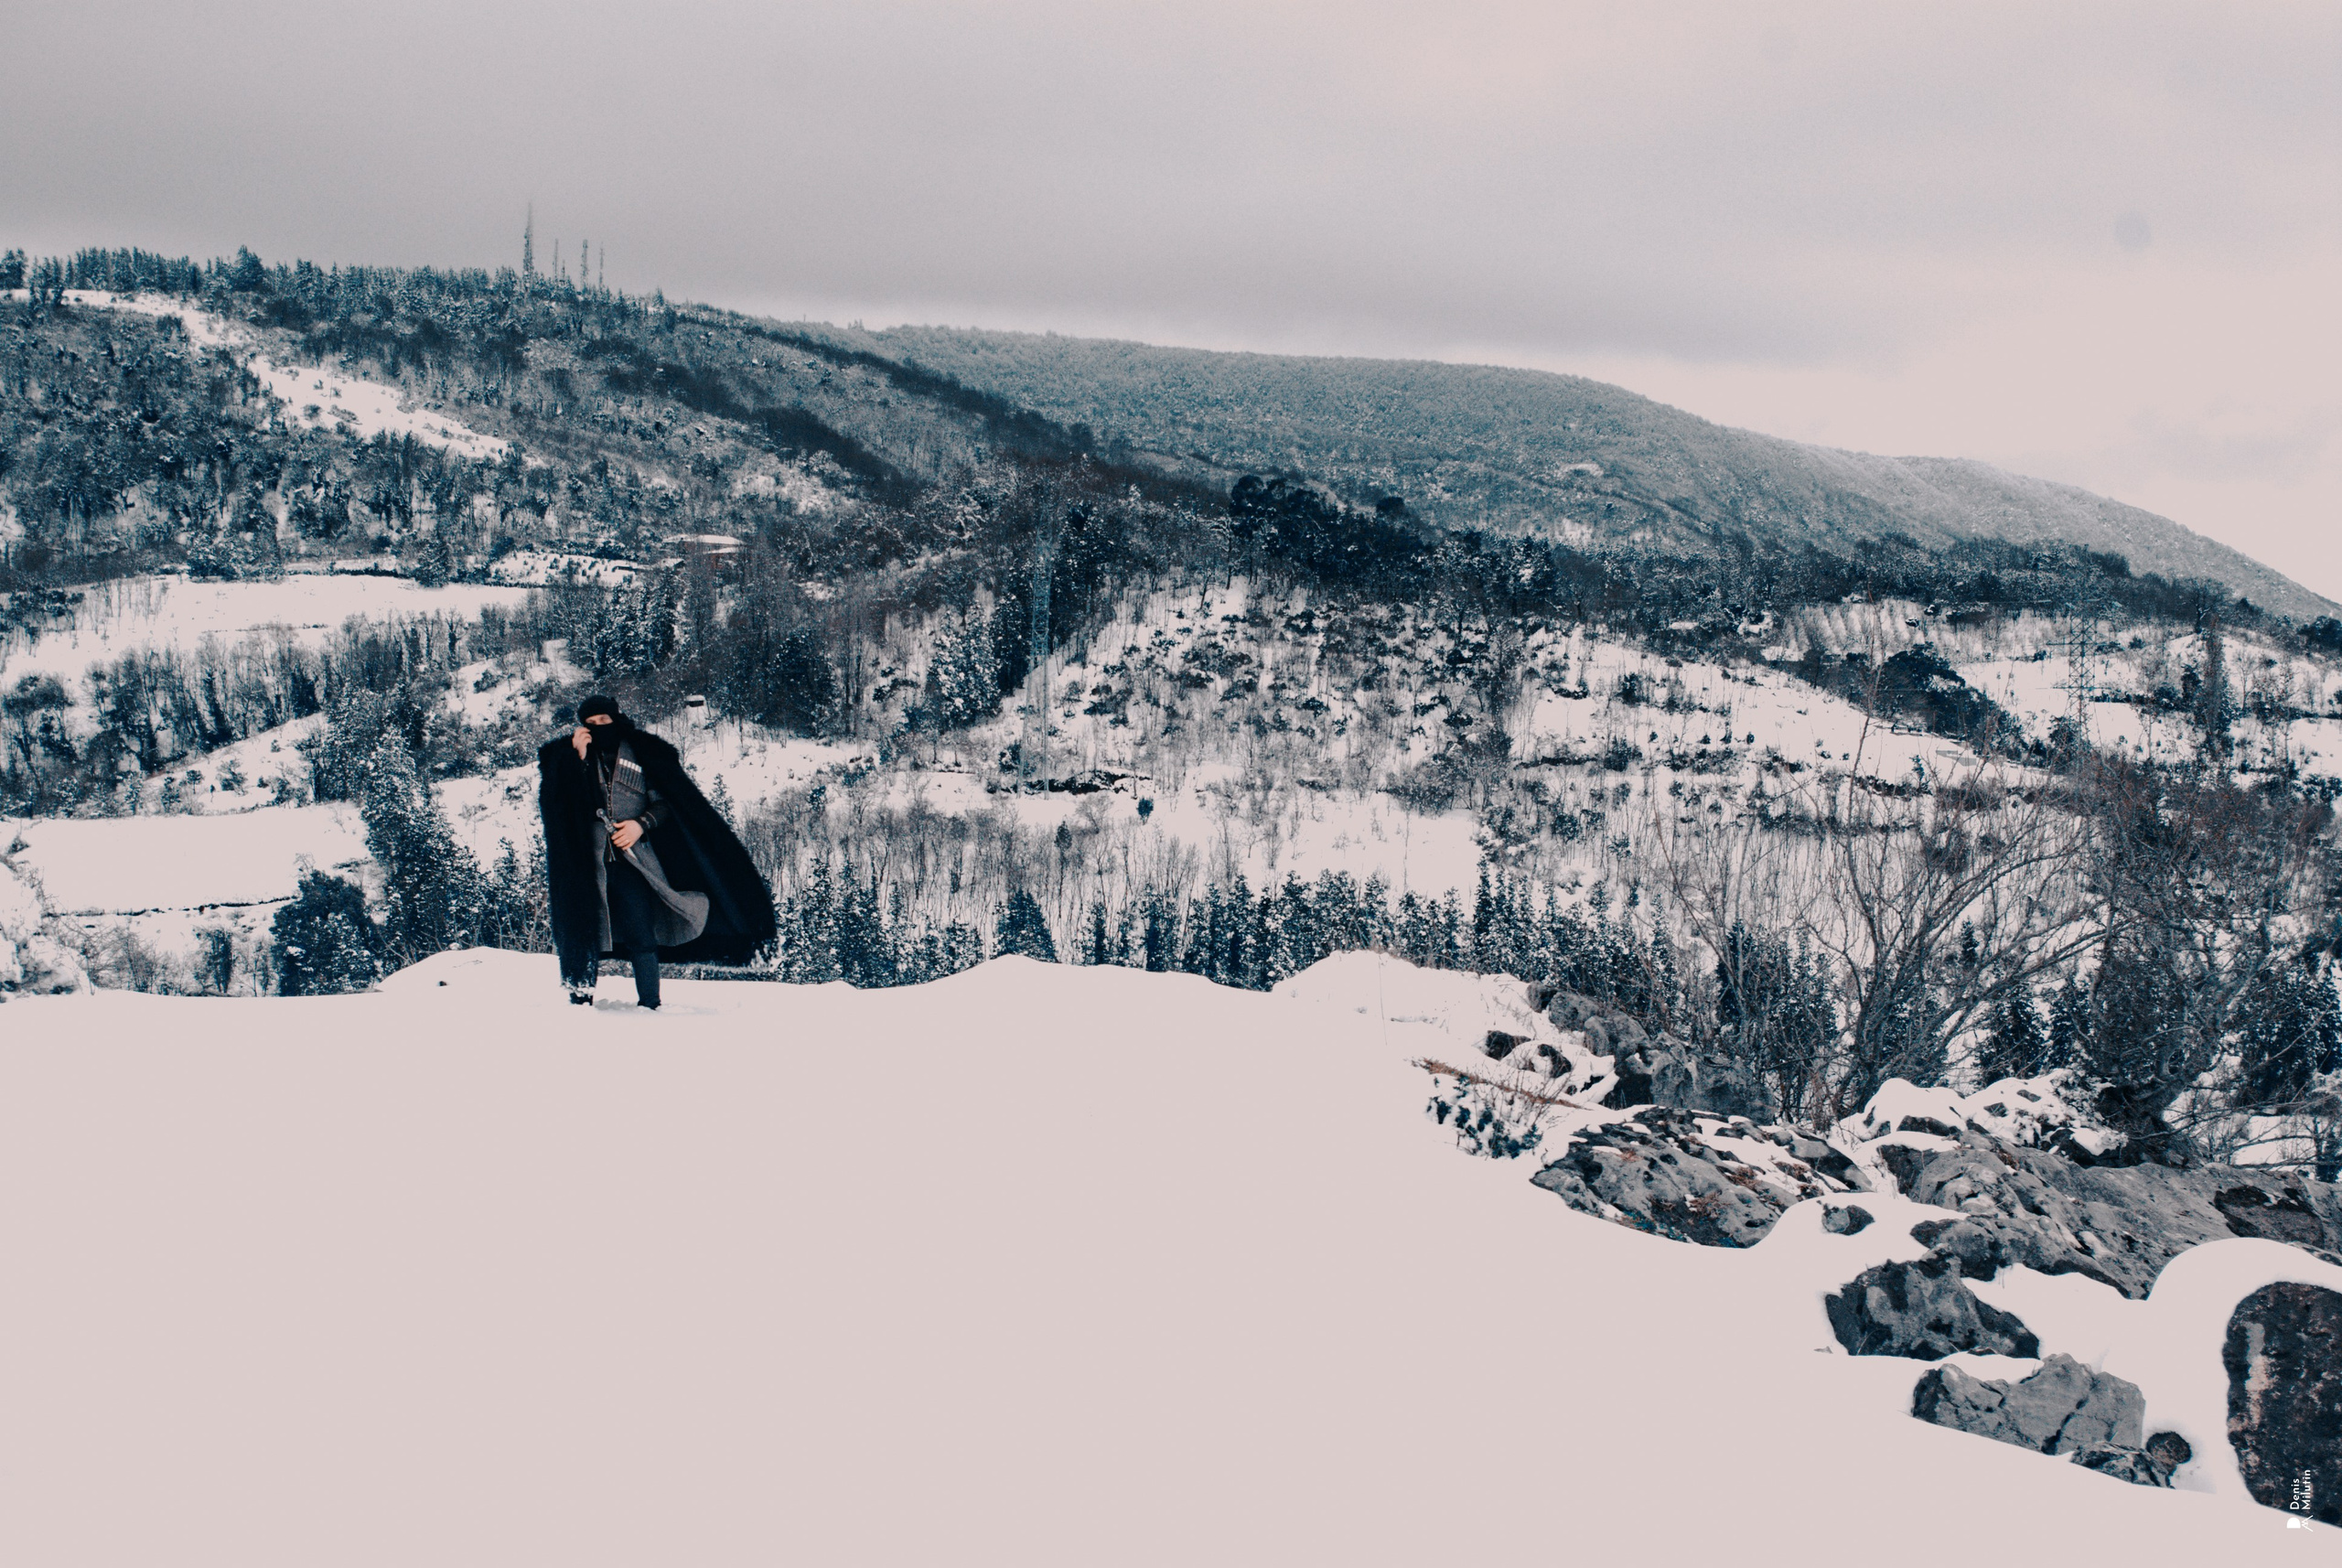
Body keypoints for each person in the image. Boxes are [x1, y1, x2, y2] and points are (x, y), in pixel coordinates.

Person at [537, 695, 777, 1008]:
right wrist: (577, 760)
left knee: (642, 934)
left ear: (616, 719)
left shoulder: (643, 751)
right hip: (584, 863)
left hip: (634, 861)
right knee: (583, 932)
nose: (598, 728)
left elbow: (665, 804)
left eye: (604, 721)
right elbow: (560, 809)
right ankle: (580, 1004)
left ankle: (650, 1006)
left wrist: (639, 824)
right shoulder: (564, 757)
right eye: (591, 724)